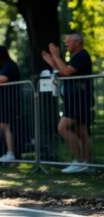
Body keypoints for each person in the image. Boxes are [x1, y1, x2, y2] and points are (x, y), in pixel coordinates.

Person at [42, 32, 94, 173]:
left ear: (77, 43)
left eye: (68, 41)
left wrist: (56, 56)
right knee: (81, 132)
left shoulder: (82, 55)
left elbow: (65, 72)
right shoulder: (75, 57)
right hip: (74, 100)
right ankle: (88, 165)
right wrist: (52, 61)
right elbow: (62, 72)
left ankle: (80, 161)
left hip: (79, 100)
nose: (65, 44)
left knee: (62, 128)